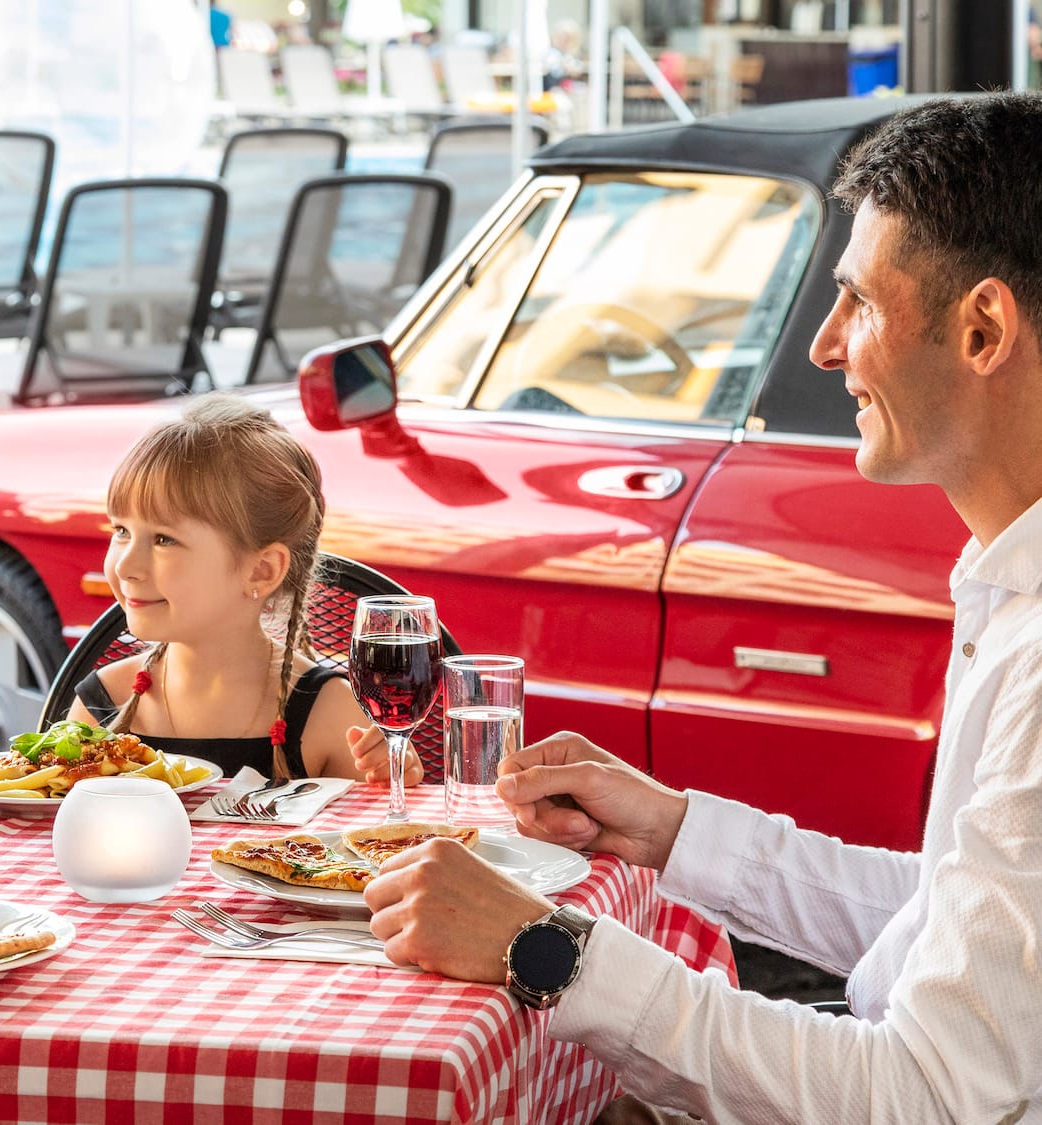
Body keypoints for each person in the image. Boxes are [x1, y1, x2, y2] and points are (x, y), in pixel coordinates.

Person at [361, 92, 1042, 1123]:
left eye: (854, 300)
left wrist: (541, 950)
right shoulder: (1005, 577)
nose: (824, 345)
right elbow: (952, 925)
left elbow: (927, 1096)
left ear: (980, 328)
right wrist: (673, 833)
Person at [0, 396, 421, 786]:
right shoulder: (106, 702)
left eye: (165, 539)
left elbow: (371, 863)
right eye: (121, 531)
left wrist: (393, 780)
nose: (125, 564)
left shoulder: (326, 714)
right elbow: (48, 829)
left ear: (261, 572)